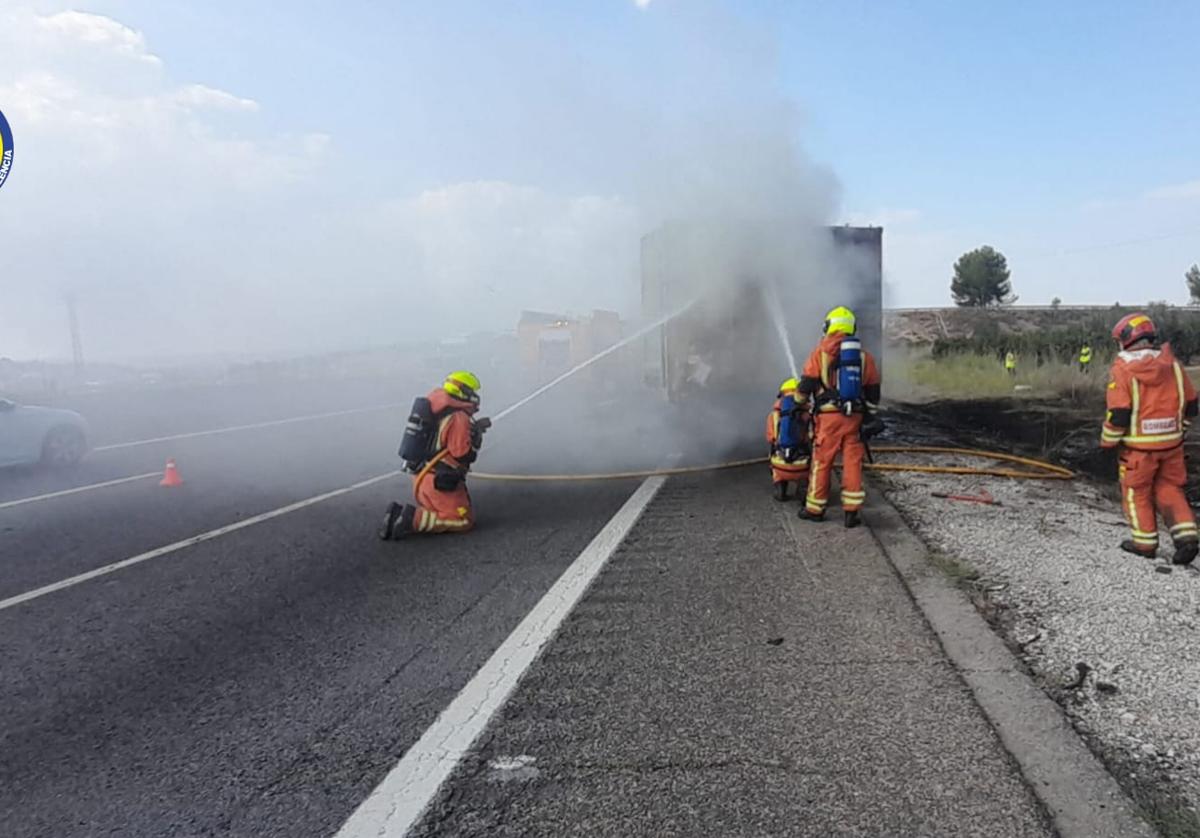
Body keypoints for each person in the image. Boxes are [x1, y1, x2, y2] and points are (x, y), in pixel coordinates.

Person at [1100, 313, 1199, 564]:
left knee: (1136, 492)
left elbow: (1119, 414)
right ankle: (1187, 538)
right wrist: (1180, 429)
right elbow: (1192, 404)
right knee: (1170, 489)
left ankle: (1144, 544)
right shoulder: (1173, 366)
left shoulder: (1123, 370)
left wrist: (1107, 442)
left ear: (1125, 339)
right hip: (1172, 446)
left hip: (1138, 450)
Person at [796, 306, 883, 528]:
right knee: (853, 462)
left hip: (828, 420)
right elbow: (873, 391)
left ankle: (815, 509)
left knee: (822, 462)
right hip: (854, 418)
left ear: (828, 326)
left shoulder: (820, 353)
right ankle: (851, 512)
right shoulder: (864, 357)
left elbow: (806, 384)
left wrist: (798, 402)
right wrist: (870, 415)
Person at [380, 371, 490, 539]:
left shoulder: (437, 410)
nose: (476, 396)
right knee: (461, 520)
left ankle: (396, 514)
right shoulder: (459, 417)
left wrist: (474, 429)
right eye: (473, 392)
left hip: (423, 478)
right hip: (439, 482)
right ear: (465, 392)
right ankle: (411, 519)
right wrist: (475, 439)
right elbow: (461, 453)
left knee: (441, 512)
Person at [766, 377, 810, 501]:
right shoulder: (808, 415)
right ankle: (803, 489)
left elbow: (770, 438)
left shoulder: (773, 416)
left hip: (779, 466)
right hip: (802, 467)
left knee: (773, 453)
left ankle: (780, 488)